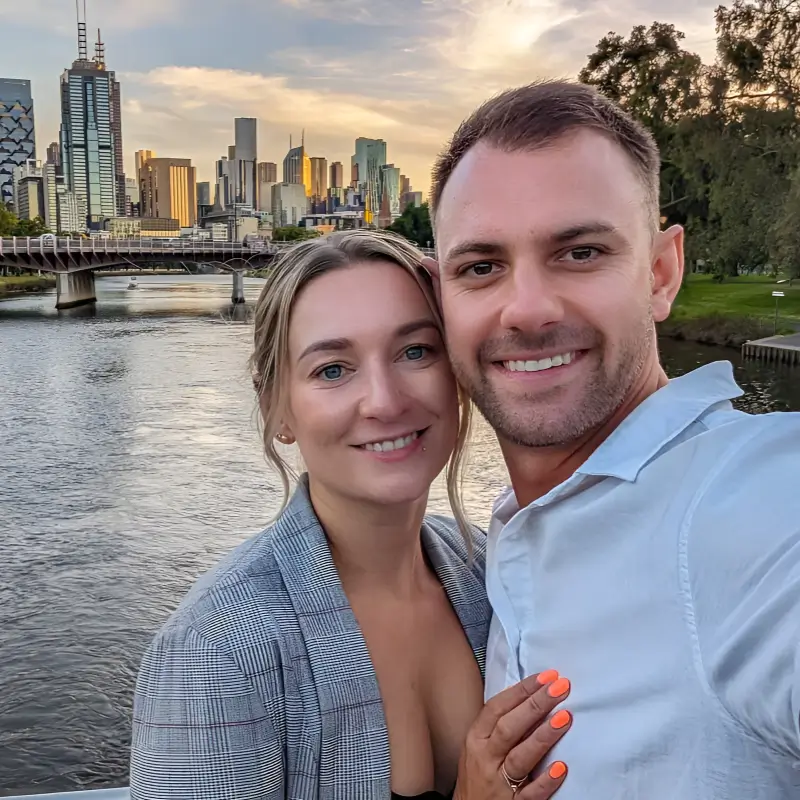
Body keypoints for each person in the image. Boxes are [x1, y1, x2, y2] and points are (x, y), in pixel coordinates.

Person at [424, 80, 800, 798]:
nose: (527, 309)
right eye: (481, 267)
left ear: (661, 273)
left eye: (580, 252)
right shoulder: (506, 532)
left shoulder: (751, 508)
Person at [129, 230, 573, 800]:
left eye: (416, 352)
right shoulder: (215, 651)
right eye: (333, 370)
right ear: (278, 411)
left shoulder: (491, 570)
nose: (385, 401)